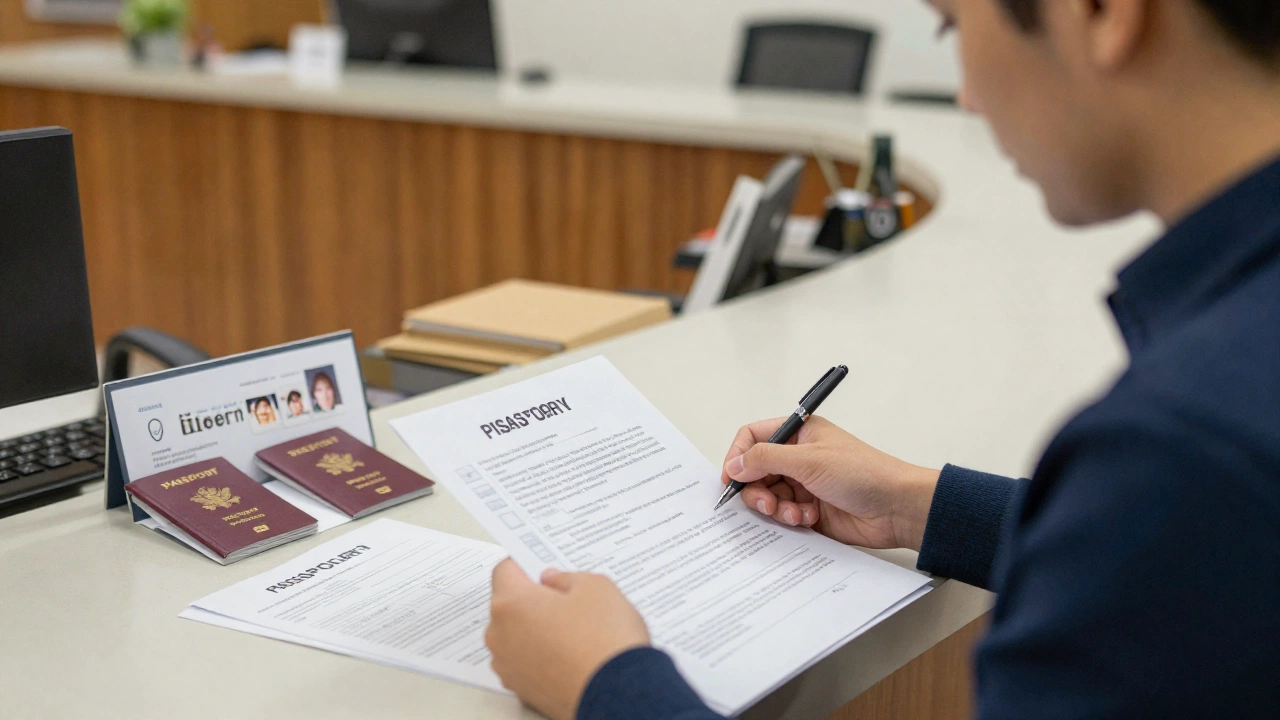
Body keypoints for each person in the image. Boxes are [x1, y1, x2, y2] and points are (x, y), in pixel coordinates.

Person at [484, 1, 1280, 719]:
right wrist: (919, 506)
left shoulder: (1181, 452)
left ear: (1103, 13)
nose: (966, 95)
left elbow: (1186, 518)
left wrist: (609, 685)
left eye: (953, 26)